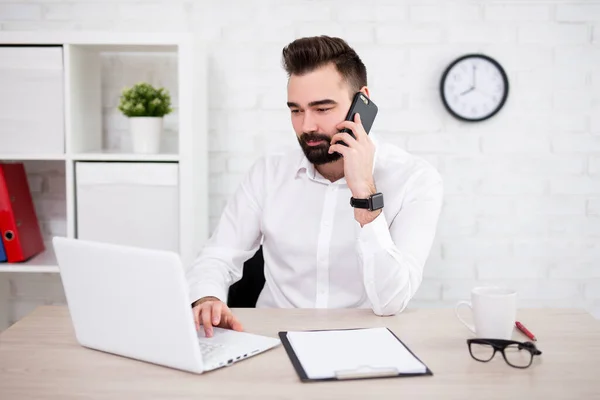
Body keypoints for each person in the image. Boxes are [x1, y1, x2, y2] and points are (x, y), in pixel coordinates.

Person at [187, 36, 444, 337]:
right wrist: (207, 296)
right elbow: (218, 255)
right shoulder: (268, 173)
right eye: (296, 110)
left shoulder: (415, 179)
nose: (307, 125)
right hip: (274, 339)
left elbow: (391, 301)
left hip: (364, 341)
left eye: (322, 109)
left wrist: (364, 193)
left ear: (361, 101)